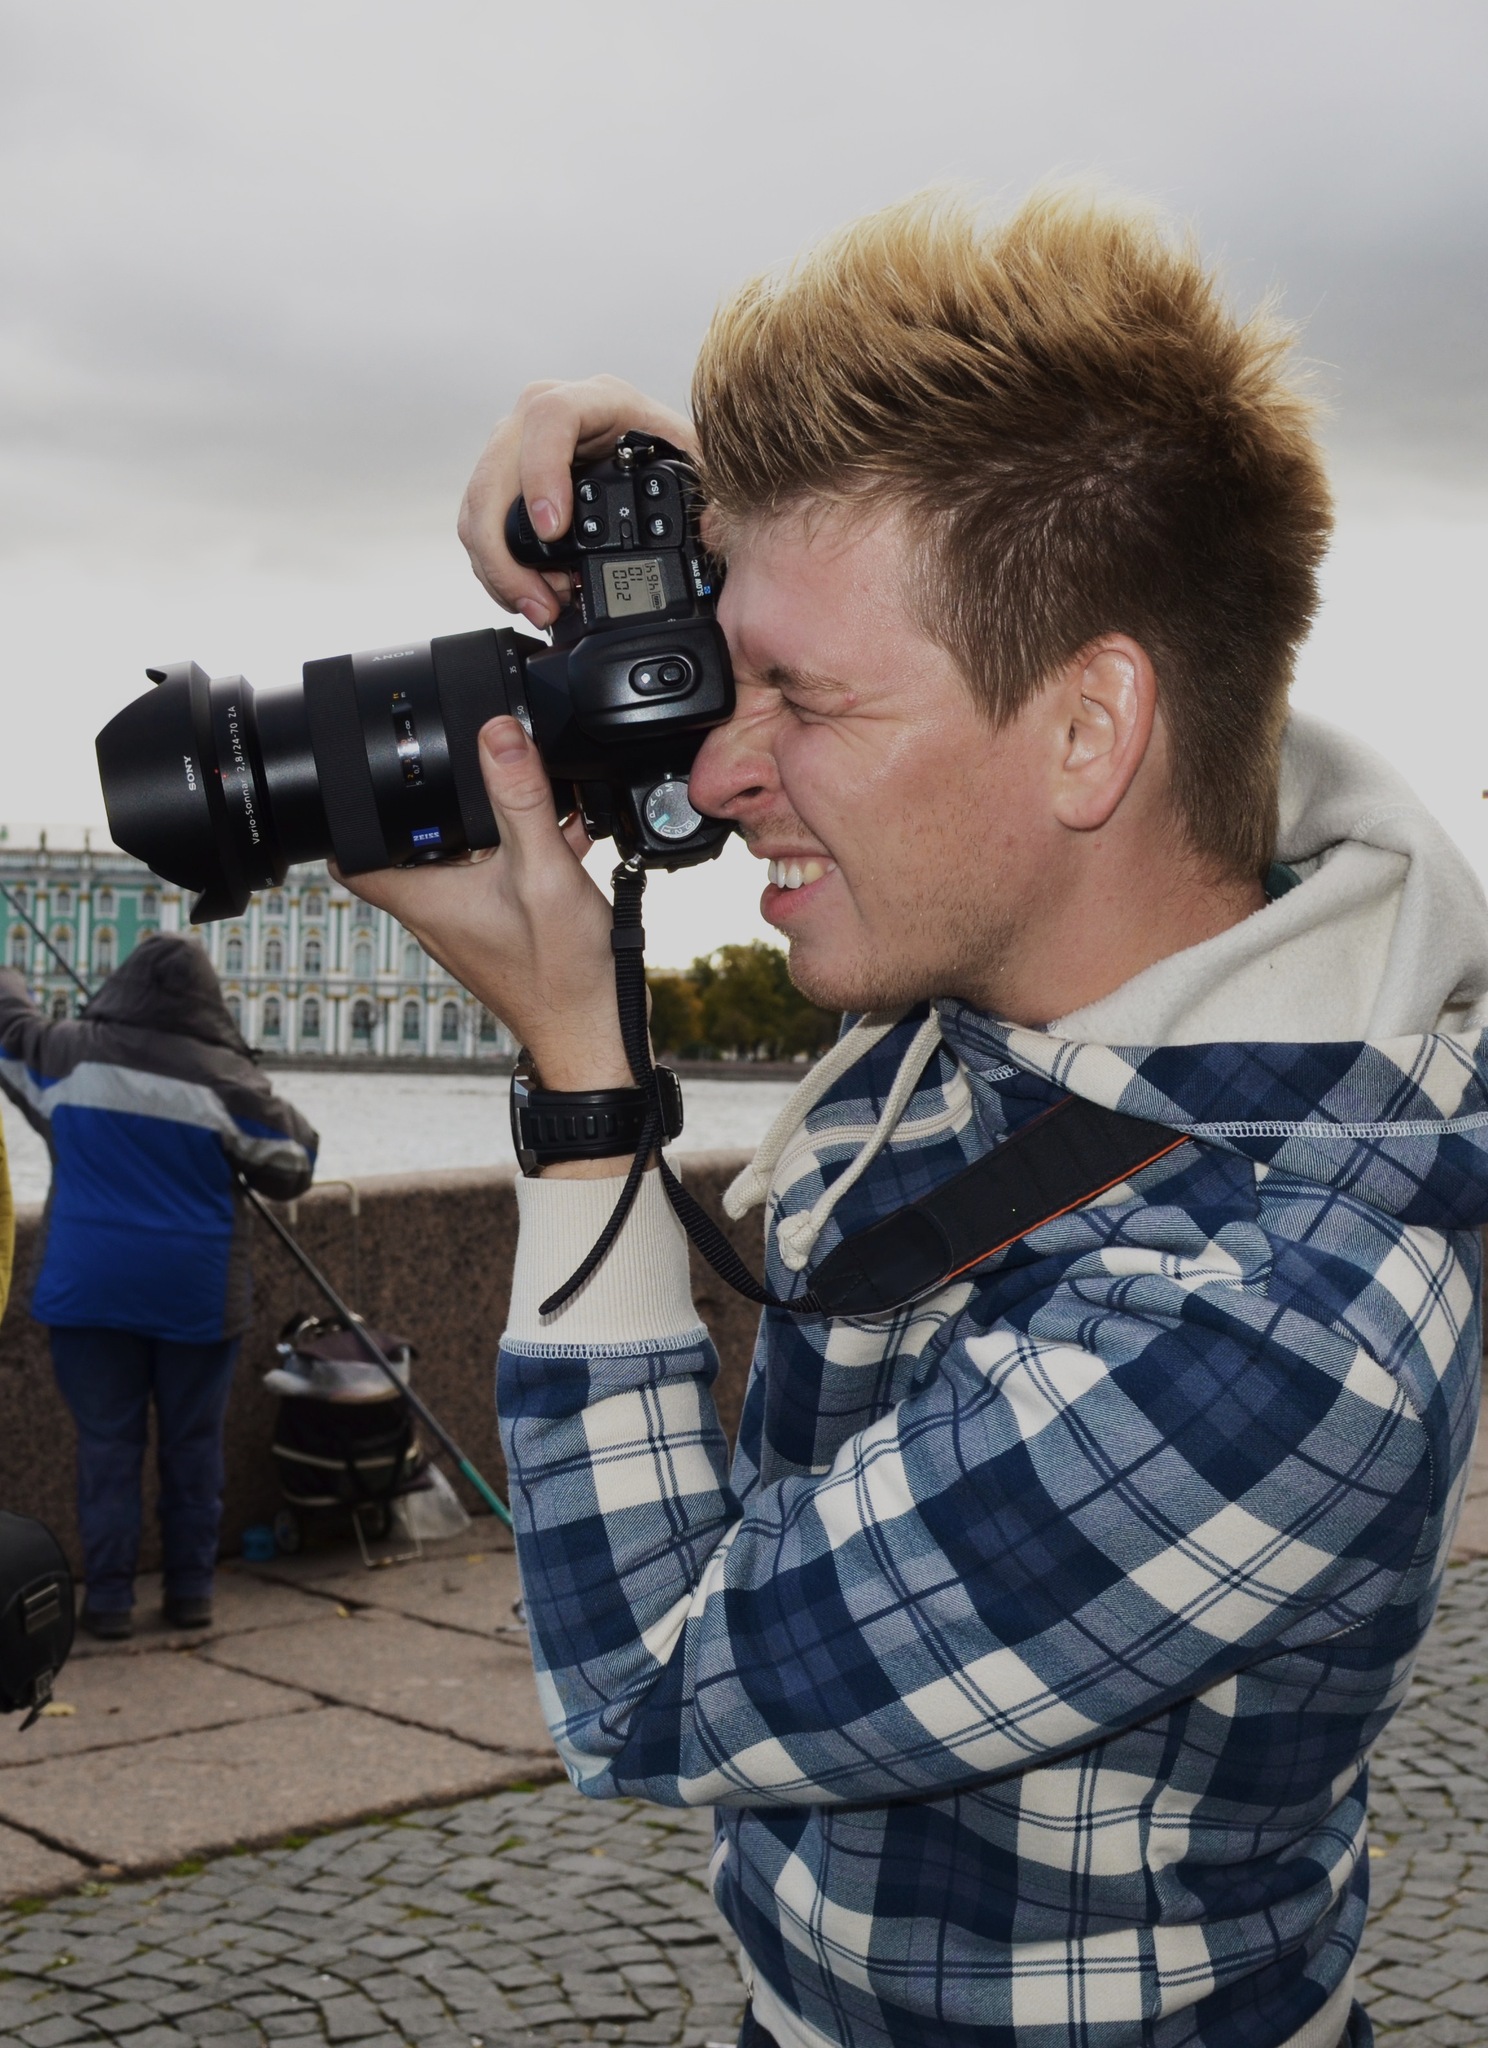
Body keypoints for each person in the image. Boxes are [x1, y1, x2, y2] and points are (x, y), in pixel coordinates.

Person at [347, 192, 1487, 2048]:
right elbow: (1017, 573)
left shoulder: (1274, 1324)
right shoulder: (1071, 954)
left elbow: (653, 1683)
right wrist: (652, 504)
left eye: (794, 694)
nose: (719, 768)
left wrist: (583, 1076)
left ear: (1087, 733)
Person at [0, 934, 317, 1637]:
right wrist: (242, 1070)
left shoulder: (66, 1055)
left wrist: (8, 978)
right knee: (193, 1447)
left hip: (88, 1294)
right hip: (194, 1297)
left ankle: (109, 1600)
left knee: (105, 1448)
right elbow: (294, 1163)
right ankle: (190, 1593)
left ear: (121, 985)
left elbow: (8, 1032)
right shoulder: (222, 1078)